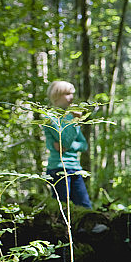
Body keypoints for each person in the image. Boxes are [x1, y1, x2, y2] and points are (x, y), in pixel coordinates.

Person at [43, 80, 92, 209]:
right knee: (62, 207)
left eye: (72, 94)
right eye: (67, 94)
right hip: (58, 168)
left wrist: (68, 147)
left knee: (85, 205)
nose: (71, 97)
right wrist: (75, 121)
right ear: (56, 96)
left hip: (75, 168)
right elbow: (65, 140)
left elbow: (83, 145)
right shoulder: (50, 119)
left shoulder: (71, 118)